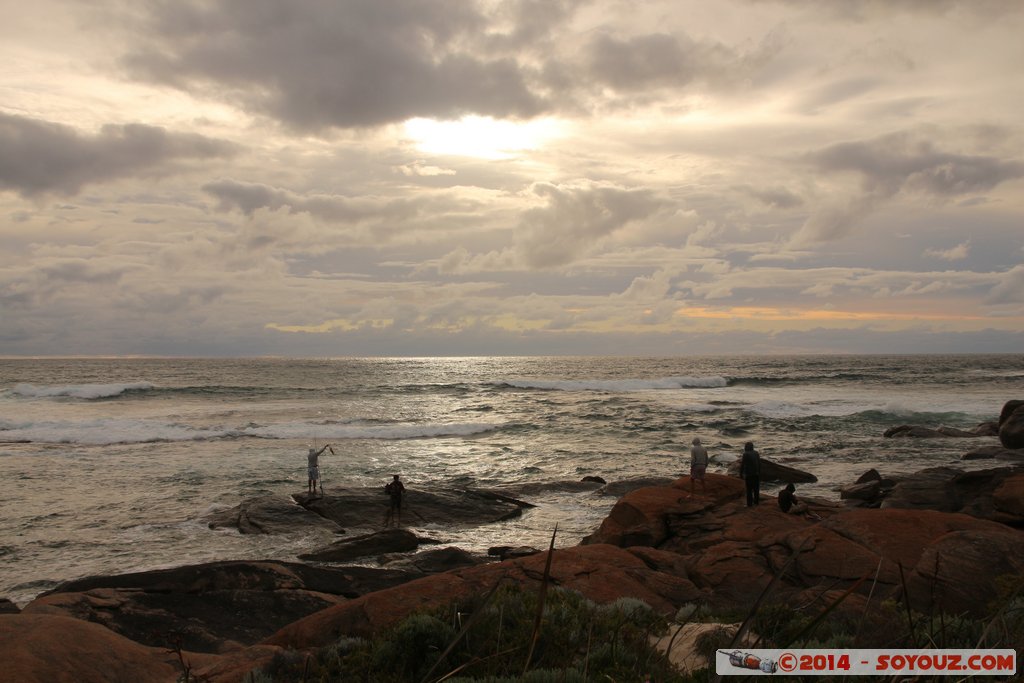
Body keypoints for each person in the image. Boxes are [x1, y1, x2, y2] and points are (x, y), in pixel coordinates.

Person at [739, 441, 760, 507]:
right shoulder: (756, 453)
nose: (744, 447)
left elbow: (742, 464)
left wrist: (741, 473)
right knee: (756, 489)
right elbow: (759, 464)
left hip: (749, 474)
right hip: (756, 474)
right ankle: (756, 502)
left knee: (749, 490)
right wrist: (759, 472)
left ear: (747, 447)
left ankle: (749, 504)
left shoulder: (746, 454)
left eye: (745, 446)